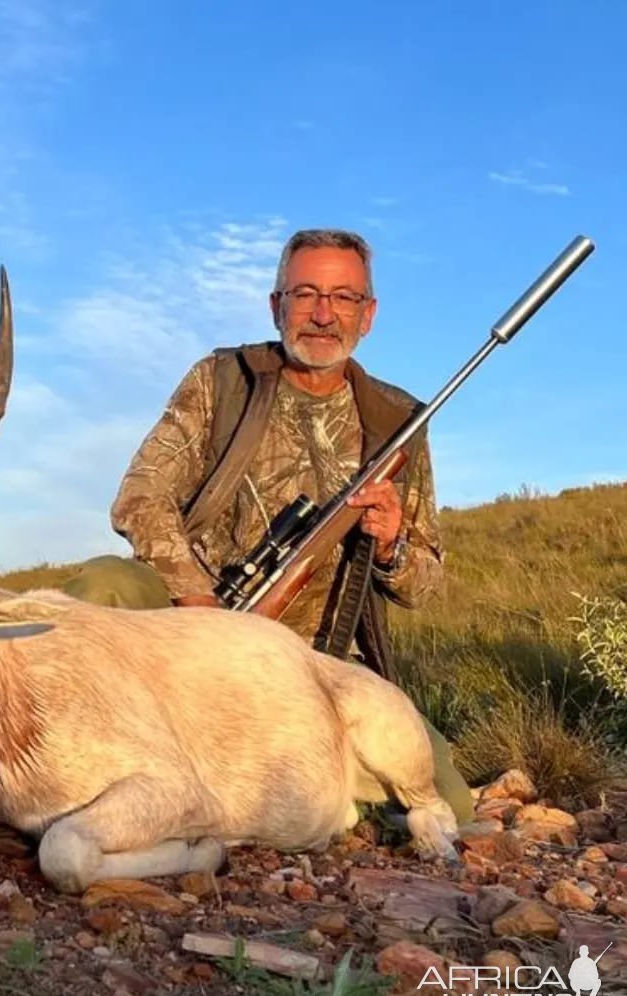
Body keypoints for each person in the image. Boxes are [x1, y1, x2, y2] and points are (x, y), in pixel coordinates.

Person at [62, 227, 473, 825]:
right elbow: (140, 497)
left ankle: (271, 796)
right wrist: (197, 602)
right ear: (276, 305)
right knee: (103, 587)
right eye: (305, 294)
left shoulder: (399, 421)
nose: (323, 315)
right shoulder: (222, 379)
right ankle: (45, 768)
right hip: (188, 627)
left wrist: (391, 545)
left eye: (343, 298)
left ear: (369, 314)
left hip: (315, 663)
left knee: (449, 803)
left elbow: (424, 585)